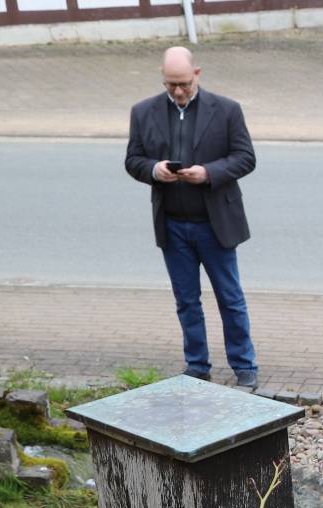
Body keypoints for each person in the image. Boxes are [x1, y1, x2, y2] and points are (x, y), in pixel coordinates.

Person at [124, 47, 258, 388]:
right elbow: (133, 160)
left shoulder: (227, 110)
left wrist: (209, 173)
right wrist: (154, 170)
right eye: (170, 85)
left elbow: (245, 157)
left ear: (197, 74)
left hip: (214, 224)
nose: (178, 92)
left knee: (230, 297)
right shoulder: (143, 112)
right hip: (173, 224)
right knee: (186, 300)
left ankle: (244, 366)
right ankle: (197, 366)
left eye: (183, 83)